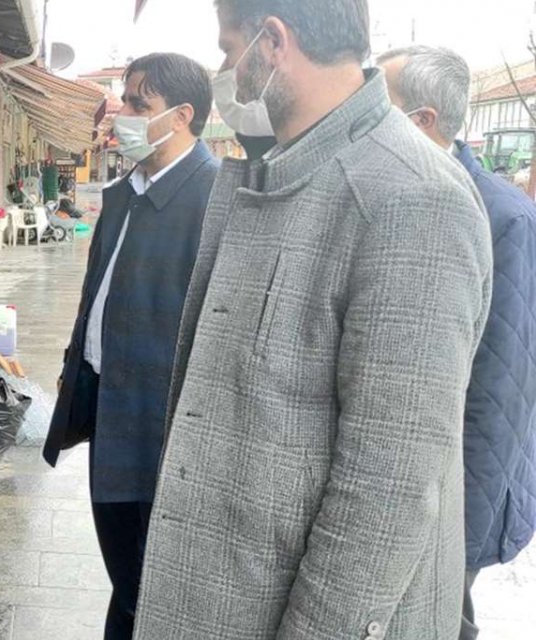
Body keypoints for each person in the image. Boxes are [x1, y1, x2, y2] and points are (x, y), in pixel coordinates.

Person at [133, 1, 494, 639]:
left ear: (273, 42)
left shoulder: (411, 197)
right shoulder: (292, 170)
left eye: (228, 49)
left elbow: (388, 486)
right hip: (232, 593)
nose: (226, 71)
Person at [44, 53, 218, 640]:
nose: (122, 114)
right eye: (124, 100)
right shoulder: (122, 194)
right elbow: (96, 293)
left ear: (182, 115)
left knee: (155, 584)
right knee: (125, 570)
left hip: (162, 427)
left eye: (138, 104)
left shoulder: (215, 201)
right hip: (106, 406)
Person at [379, 45, 536, 640]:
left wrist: (457, 544)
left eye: (379, 104)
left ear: (421, 122)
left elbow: (502, 397)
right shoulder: (399, 193)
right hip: (394, 487)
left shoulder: (504, 219)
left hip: (453, 501)